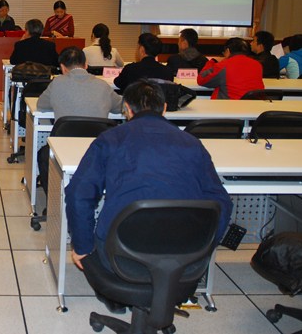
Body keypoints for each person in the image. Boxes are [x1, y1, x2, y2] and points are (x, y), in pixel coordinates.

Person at [65, 78, 232, 309]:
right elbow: (222, 202)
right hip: (184, 256)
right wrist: (203, 248)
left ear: (127, 109)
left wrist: (83, 248)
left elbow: (78, 194)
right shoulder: (193, 144)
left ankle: (116, 296)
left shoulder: (110, 140)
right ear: (164, 108)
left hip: (120, 256)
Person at [35, 46, 123, 197]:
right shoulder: (103, 85)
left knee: (44, 154)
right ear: (86, 64)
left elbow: (41, 105)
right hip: (97, 147)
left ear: (63, 67)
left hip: (64, 147)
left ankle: (55, 199)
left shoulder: (57, 83)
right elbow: (120, 108)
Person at [198, 38, 264, 99]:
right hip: (255, 105)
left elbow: (201, 79)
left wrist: (213, 61)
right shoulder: (258, 65)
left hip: (230, 105)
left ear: (228, 50)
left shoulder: (223, 65)